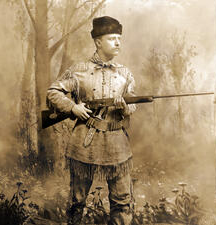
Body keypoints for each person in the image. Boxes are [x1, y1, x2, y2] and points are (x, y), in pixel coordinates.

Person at [47, 16, 136, 225]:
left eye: (119, 38)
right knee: (77, 200)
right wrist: (73, 107)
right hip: (84, 145)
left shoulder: (125, 73)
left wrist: (125, 105)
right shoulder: (79, 70)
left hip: (117, 145)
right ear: (98, 42)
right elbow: (53, 92)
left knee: (122, 201)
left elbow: (133, 104)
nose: (118, 43)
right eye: (112, 38)